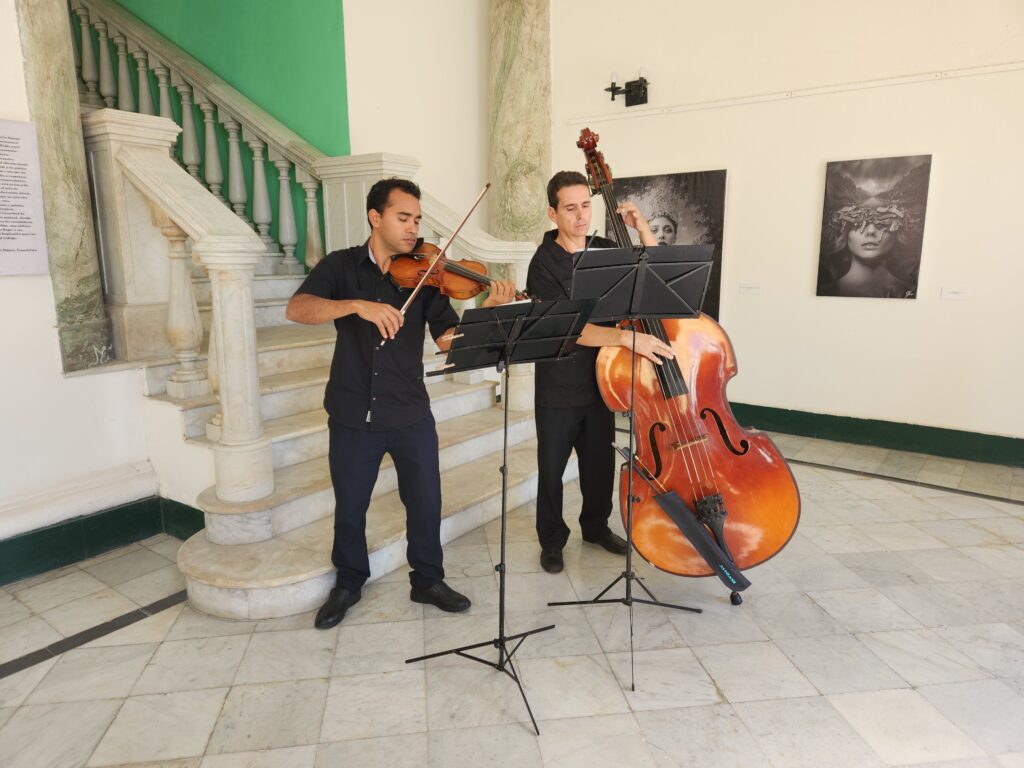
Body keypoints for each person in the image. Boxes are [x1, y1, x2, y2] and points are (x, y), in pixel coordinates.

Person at [286, 177, 517, 629]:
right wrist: (356, 306)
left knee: (426, 502)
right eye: (403, 218)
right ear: (376, 217)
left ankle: (427, 580)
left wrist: (487, 312)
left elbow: (449, 340)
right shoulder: (341, 267)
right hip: (353, 411)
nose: (413, 228)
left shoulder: (428, 277)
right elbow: (298, 308)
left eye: (417, 220)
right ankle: (349, 582)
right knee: (351, 506)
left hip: (410, 409)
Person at [526, 171, 675, 573]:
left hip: (605, 379)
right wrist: (630, 340)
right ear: (552, 212)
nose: (580, 216)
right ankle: (552, 540)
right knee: (552, 469)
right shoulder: (542, 263)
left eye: (585, 206)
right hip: (558, 384)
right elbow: (568, 329)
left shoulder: (604, 248)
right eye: (570, 208)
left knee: (598, 465)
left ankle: (595, 527)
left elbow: (655, 271)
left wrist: (641, 227)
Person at [817, 200, 919, 298]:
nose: (871, 232)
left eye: (882, 224)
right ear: (845, 234)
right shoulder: (822, 292)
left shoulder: (912, 293)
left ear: (896, 233)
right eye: (858, 224)